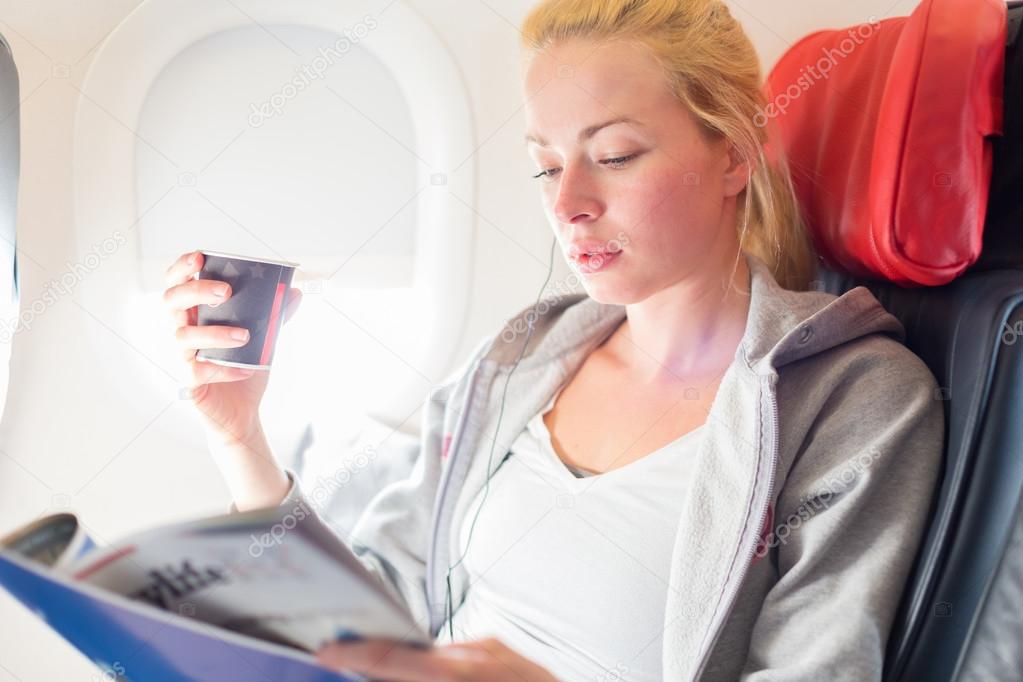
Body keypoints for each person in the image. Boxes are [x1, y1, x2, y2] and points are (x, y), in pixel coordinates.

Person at [162, 0, 945, 679]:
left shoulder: (851, 400)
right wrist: (239, 438)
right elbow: (369, 620)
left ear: (733, 155)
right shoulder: (524, 355)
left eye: (613, 156)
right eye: (544, 167)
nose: (567, 201)